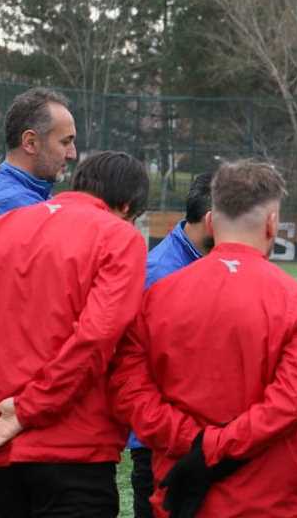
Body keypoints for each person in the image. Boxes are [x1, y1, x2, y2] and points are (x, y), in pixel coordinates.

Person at [0, 151, 149, 517]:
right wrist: (28, 408)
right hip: (74, 452)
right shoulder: (119, 237)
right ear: (127, 207)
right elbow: (97, 336)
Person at [108, 160, 297, 517]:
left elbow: (128, 387)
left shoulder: (157, 295)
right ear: (272, 225)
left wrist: (193, 442)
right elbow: (288, 406)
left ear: (210, 221)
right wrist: (216, 445)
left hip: (181, 483)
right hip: (270, 495)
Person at [128, 172, 214, 518]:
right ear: (212, 220)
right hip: (162, 441)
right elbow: (134, 365)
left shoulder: (218, 261)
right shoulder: (158, 272)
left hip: (208, 434)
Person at [0, 87, 77, 228]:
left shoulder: (33, 194)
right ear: (30, 142)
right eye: (65, 142)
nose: (73, 154)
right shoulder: (11, 206)